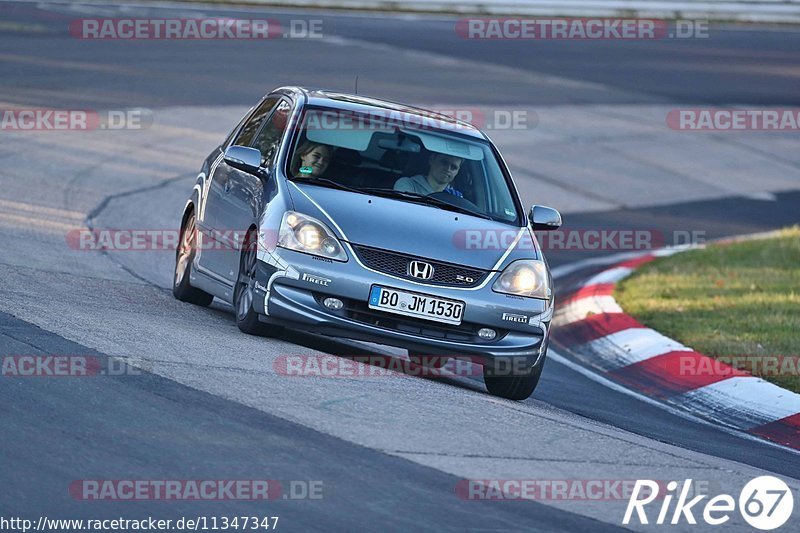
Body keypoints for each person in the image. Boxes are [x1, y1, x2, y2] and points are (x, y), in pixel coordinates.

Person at [393, 152, 464, 198]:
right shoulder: (407, 184)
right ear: (432, 160)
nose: (448, 169)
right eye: (444, 162)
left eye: (454, 167)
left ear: (457, 171)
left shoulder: (456, 197)